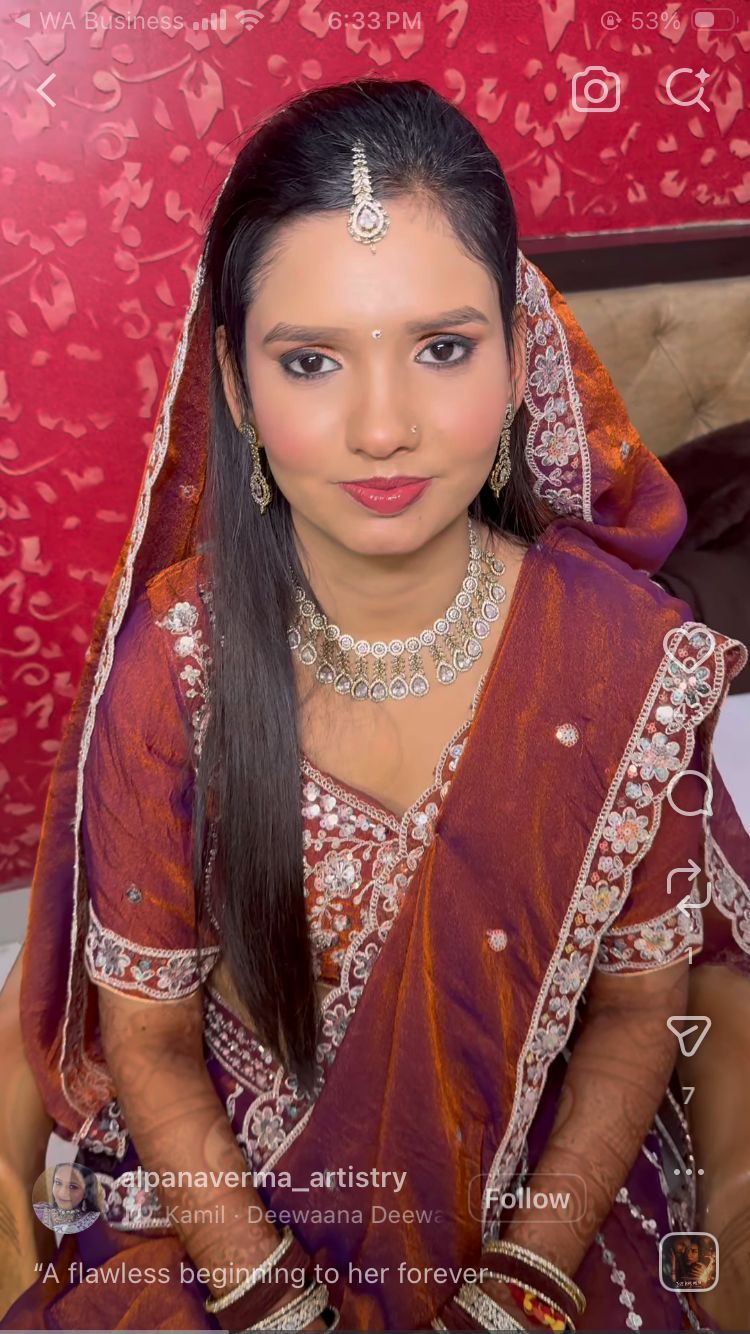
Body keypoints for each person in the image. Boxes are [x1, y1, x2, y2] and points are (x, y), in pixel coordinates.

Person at [2, 76, 750, 1332]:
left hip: (541, 1176)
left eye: (442, 348)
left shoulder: (627, 662)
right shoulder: (178, 662)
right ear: (238, 388)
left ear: (519, 358)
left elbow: (634, 1006)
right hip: (229, 1187)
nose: (384, 426)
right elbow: (153, 1037)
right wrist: (266, 1293)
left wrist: (525, 1281)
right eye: (310, 361)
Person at [31, 1164, 102, 1237]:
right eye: (58, 1183)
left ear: (86, 1192)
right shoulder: (38, 1210)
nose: (62, 1192)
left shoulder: (93, 1224)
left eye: (72, 1186)